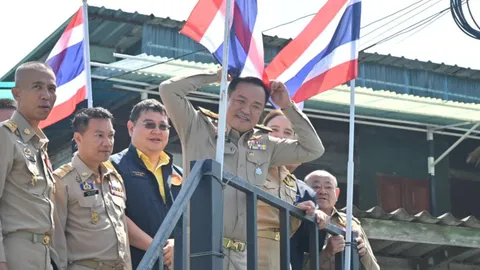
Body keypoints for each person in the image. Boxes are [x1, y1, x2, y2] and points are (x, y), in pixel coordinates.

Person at [159, 69, 327, 269]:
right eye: (240, 101)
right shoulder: (197, 127)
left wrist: (286, 106)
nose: (246, 110)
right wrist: (216, 75)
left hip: (241, 257)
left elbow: (313, 149)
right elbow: (168, 90)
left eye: (256, 106)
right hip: (198, 248)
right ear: (226, 98)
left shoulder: (266, 145)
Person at [53, 108, 132, 270]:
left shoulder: (115, 178)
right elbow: (56, 240)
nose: (107, 143)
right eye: (99, 135)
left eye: (111, 136)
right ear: (78, 138)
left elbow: (122, 232)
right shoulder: (62, 181)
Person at [0, 61, 60, 270]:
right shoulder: (4, 136)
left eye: (51, 88)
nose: (46, 95)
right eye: (37, 87)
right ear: (17, 93)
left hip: (43, 256)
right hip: (14, 253)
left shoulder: (38, 144)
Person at [111, 99, 183, 270]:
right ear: (130, 128)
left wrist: (180, 245)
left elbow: (192, 218)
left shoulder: (181, 173)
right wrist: (157, 248)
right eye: (149, 125)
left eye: (163, 126)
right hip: (133, 263)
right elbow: (115, 216)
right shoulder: (111, 167)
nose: (157, 131)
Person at [256, 109, 322, 270]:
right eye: (273, 130)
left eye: (288, 132)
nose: (279, 136)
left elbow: (307, 242)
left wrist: (315, 214)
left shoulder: (299, 188)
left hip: (281, 260)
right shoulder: (248, 167)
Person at [305, 170, 379, 270]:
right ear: (304, 190)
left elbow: (374, 268)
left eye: (328, 187)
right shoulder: (297, 219)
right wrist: (326, 253)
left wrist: (363, 253)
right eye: (316, 187)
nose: (322, 191)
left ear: (337, 193)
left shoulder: (351, 223)